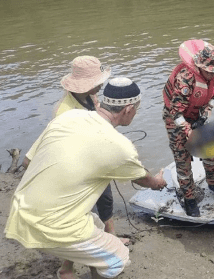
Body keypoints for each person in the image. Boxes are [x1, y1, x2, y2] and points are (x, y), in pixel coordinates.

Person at [4, 77, 167, 279]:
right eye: (137, 109)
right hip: (48, 227)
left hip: (21, 211)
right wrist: (159, 181)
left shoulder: (67, 117)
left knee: (96, 225)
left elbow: (28, 162)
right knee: (117, 258)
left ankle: (66, 270)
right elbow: (145, 180)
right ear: (128, 109)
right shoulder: (119, 146)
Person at [21, 56, 123, 243]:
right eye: (97, 82)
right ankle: (89, 242)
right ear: (85, 84)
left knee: (106, 197)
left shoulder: (91, 96)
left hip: (94, 156)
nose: (101, 85)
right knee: (85, 206)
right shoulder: (64, 111)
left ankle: (111, 235)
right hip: (76, 164)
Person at [162, 39, 214, 217]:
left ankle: (213, 183)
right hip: (175, 117)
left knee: (210, 150)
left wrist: (205, 116)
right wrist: (189, 133)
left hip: (198, 114)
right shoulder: (186, 78)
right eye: (207, 71)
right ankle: (189, 198)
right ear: (200, 66)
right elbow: (176, 112)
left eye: (213, 71)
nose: (210, 75)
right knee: (182, 158)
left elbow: (213, 98)